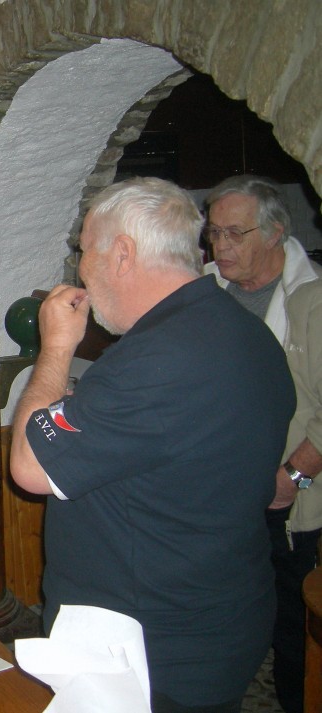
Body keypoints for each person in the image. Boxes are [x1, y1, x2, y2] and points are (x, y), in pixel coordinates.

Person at [11, 177, 295, 712]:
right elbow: (167, 445)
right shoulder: (246, 333)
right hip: (219, 620)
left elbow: (30, 465)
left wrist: (56, 349)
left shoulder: (157, 358)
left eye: (84, 251)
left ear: (122, 253)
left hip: (144, 651)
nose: (81, 270)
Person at [203, 175, 322, 713]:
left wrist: (293, 476)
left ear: (275, 233)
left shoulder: (311, 301)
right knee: (224, 617)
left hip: (284, 497)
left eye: (235, 233)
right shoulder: (205, 291)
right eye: (214, 233)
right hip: (217, 492)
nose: (220, 246)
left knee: (294, 626)